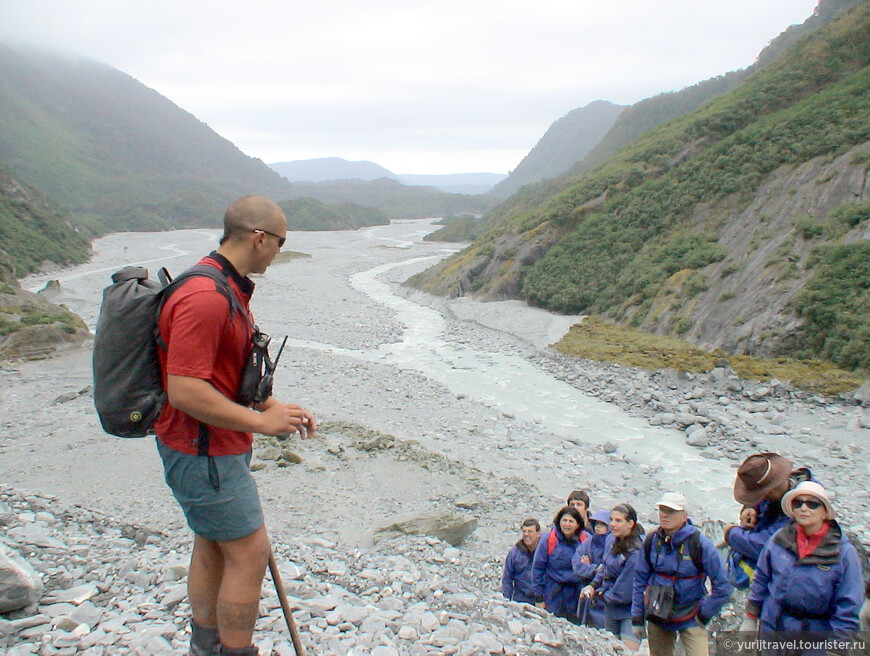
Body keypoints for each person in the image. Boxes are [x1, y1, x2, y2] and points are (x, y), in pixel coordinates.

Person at [155, 196, 317, 656]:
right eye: (280, 243)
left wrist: (274, 406)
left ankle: (205, 647)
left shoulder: (226, 286)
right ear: (259, 237)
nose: (279, 253)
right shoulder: (205, 297)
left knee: (212, 544)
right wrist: (262, 425)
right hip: (204, 451)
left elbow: (228, 374)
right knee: (249, 553)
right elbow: (184, 390)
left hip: (207, 448)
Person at [743, 481, 862, 638]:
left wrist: (837, 648)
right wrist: (750, 619)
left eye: (813, 504)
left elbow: (848, 606)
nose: (804, 508)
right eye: (798, 503)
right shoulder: (778, 539)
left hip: (816, 638)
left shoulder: (844, 553)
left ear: (825, 512)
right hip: (772, 627)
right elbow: (761, 580)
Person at [631, 492, 733, 656]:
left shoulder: (699, 543)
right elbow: (639, 580)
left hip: (691, 616)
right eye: (662, 509)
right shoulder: (651, 541)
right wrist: (637, 617)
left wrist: (704, 614)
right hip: (658, 615)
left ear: (684, 515)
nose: (664, 515)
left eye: (671, 511)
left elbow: (723, 585)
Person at [724, 453, 813, 585]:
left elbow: (765, 546)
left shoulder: (803, 511)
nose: (759, 499)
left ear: (770, 491)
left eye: (758, 496)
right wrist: (750, 507)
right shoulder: (785, 485)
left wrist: (730, 533)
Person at [581, 504, 644, 650]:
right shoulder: (611, 541)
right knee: (611, 649)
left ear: (630, 524)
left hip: (630, 612)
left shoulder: (635, 553)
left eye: (618, 521)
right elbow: (605, 567)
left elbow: (624, 591)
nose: (613, 525)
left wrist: (601, 594)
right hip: (611, 608)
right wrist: (594, 585)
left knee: (628, 651)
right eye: (611, 520)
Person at [532, 506, 586, 621]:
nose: (567, 524)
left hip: (577, 593)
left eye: (571, 521)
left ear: (578, 524)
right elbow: (538, 568)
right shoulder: (548, 539)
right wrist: (539, 598)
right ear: (559, 522)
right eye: (564, 520)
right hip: (553, 593)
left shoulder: (586, 540)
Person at [573, 508, 611, 628]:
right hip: (588, 596)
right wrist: (595, 569)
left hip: (606, 597)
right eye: (596, 523)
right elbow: (577, 566)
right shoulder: (589, 542)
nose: (598, 527)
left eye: (602, 524)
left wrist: (590, 566)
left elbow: (609, 569)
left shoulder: (613, 543)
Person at [502, 518, 541, 604]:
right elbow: (507, 579)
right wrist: (506, 600)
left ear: (538, 534)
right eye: (524, 531)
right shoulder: (514, 553)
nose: (526, 534)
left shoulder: (545, 551)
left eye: (530, 531)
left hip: (542, 600)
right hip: (521, 600)